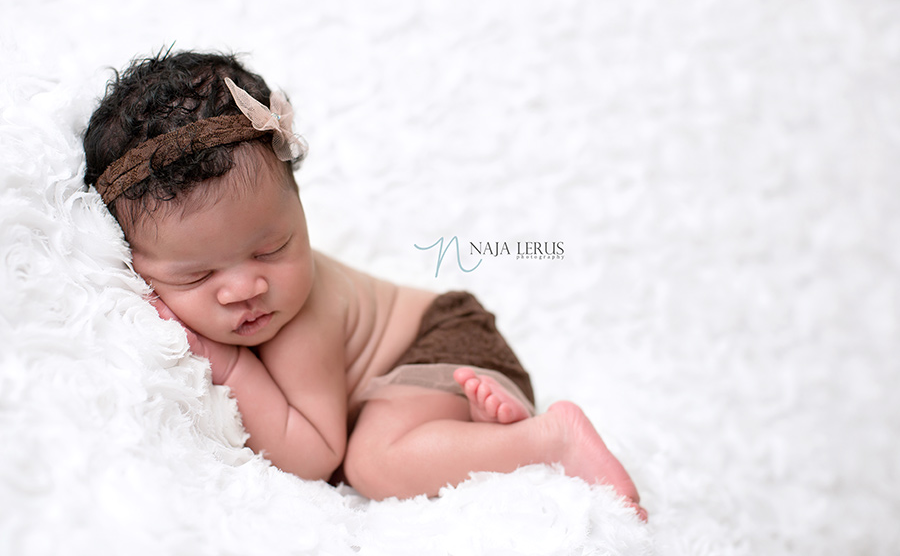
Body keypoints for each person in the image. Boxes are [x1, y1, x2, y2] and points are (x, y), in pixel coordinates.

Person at [82, 49, 646, 520]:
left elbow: (315, 457)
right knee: (396, 437)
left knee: (374, 461)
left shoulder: (299, 321)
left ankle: (549, 440)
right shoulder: (253, 287)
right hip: (418, 377)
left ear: (299, 209)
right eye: (198, 276)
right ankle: (471, 430)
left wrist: (230, 367)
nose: (245, 287)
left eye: (271, 249)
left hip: (440, 344)